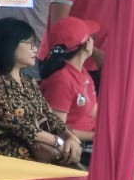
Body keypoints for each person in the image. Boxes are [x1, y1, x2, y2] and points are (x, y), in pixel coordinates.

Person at [0, 17, 82, 166]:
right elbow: (13, 122)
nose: (35, 49)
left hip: (37, 150)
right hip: (6, 153)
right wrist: (56, 141)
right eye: (29, 43)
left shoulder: (28, 81)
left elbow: (48, 115)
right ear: (8, 44)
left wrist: (70, 137)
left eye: (36, 44)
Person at [40, 16, 98, 161]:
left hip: (91, 142)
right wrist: (97, 136)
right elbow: (57, 128)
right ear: (86, 45)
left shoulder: (83, 73)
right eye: (92, 37)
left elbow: (94, 112)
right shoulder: (61, 80)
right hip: (75, 149)